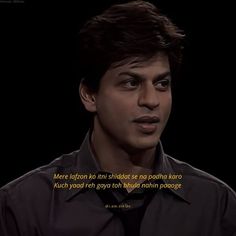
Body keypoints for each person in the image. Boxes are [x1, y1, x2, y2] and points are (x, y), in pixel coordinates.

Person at [0, 1, 236, 235]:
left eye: (162, 83)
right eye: (131, 83)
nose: (151, 100)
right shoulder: (24, 207)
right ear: (89, 95)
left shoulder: (216, 205)